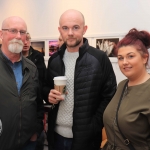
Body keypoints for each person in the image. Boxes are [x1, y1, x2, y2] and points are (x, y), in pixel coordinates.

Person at [43, 9, 117, 150]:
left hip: (86, 139)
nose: (70, 33)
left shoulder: (99, 58)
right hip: (56, 136)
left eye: (76, 27)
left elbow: (109, 96)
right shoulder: (54, 59)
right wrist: (48, 94)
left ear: (84, 29)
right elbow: (45, 87)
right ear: (60, 30)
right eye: (65, 28)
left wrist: (94, 125)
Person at [0, 16, 44, 150]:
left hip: (28, 143)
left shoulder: (32, 68)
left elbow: (37, 103)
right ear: (1, 34)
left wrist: (36, 131)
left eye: (22, 32)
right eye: (13, 30)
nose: (18, 36)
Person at [103, 28, 150, 150]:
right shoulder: (122, 85)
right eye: (120, 58)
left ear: (145, 58)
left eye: (130, 56)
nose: (124, 62)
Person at [23, 33, 46, 150]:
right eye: (23, 40)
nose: (26, 43)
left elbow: (43, 81)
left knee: (38, 141)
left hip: (36, 104)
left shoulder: (38, 57)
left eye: (28, 40)